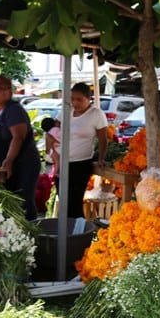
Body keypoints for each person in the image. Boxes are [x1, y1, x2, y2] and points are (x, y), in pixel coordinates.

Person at [0, 75, 41, 220]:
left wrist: (8, 161)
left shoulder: (14, 110)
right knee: (7, 202)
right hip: (2, 165)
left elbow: (18, 137)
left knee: (22, 201)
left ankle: (31, 232)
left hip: (23, 165)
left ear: (9, 91)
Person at [55, 82, 108, 218]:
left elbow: (103, 139)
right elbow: (53, 131)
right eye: (72, 99)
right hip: (61, 162)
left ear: (89, 99)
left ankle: (78, 233)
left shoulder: (96, 114)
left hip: (80, 164)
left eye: (79, 99)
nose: (75, 102)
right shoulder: (66, 111)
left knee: (74, 203)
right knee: (64, 202)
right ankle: (66, 233)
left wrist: (101, 158)